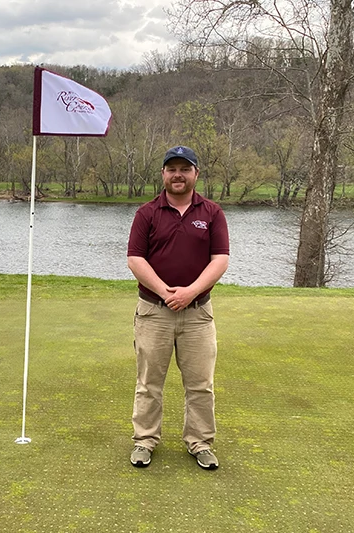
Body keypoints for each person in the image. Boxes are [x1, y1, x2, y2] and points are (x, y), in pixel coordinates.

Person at [125, 145, 230, 470]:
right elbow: (135, 258)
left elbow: (221, 259)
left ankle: (200, 442)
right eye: (172, 169)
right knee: (149, 383)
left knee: (200, 384)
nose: (178, 175)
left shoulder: (212, 213)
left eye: (185, 169)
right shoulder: (147, 213)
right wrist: (165, 291)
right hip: (153, 312)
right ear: (163, 174)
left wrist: (190, 292)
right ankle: (144, 441)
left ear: (196, 174)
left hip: (198, 314)